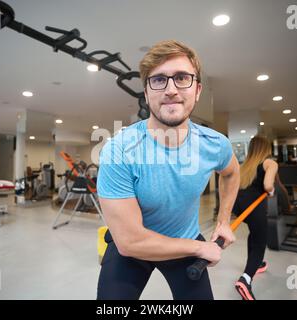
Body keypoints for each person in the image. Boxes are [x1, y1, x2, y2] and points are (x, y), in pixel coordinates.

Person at [96, 40, 240, 300]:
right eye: (159, 80)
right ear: (147, 91)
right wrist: (199, 247)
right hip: (133, 247)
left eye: (182, 78)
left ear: (197, 90)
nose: (171, 89)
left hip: (183, 239)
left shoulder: (215, 144)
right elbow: (130, 242)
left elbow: (231, 173)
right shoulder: (119, 150)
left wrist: (223, 221)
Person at [232, 136, 278, 300]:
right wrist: (271, 191)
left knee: (254, 233)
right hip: (255, 208)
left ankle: (257, 264)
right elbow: (267, 185)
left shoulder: (246, 165)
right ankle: (246, 279)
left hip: (239, 206)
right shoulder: (270, 162)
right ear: (266, 148)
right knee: (260, 241)